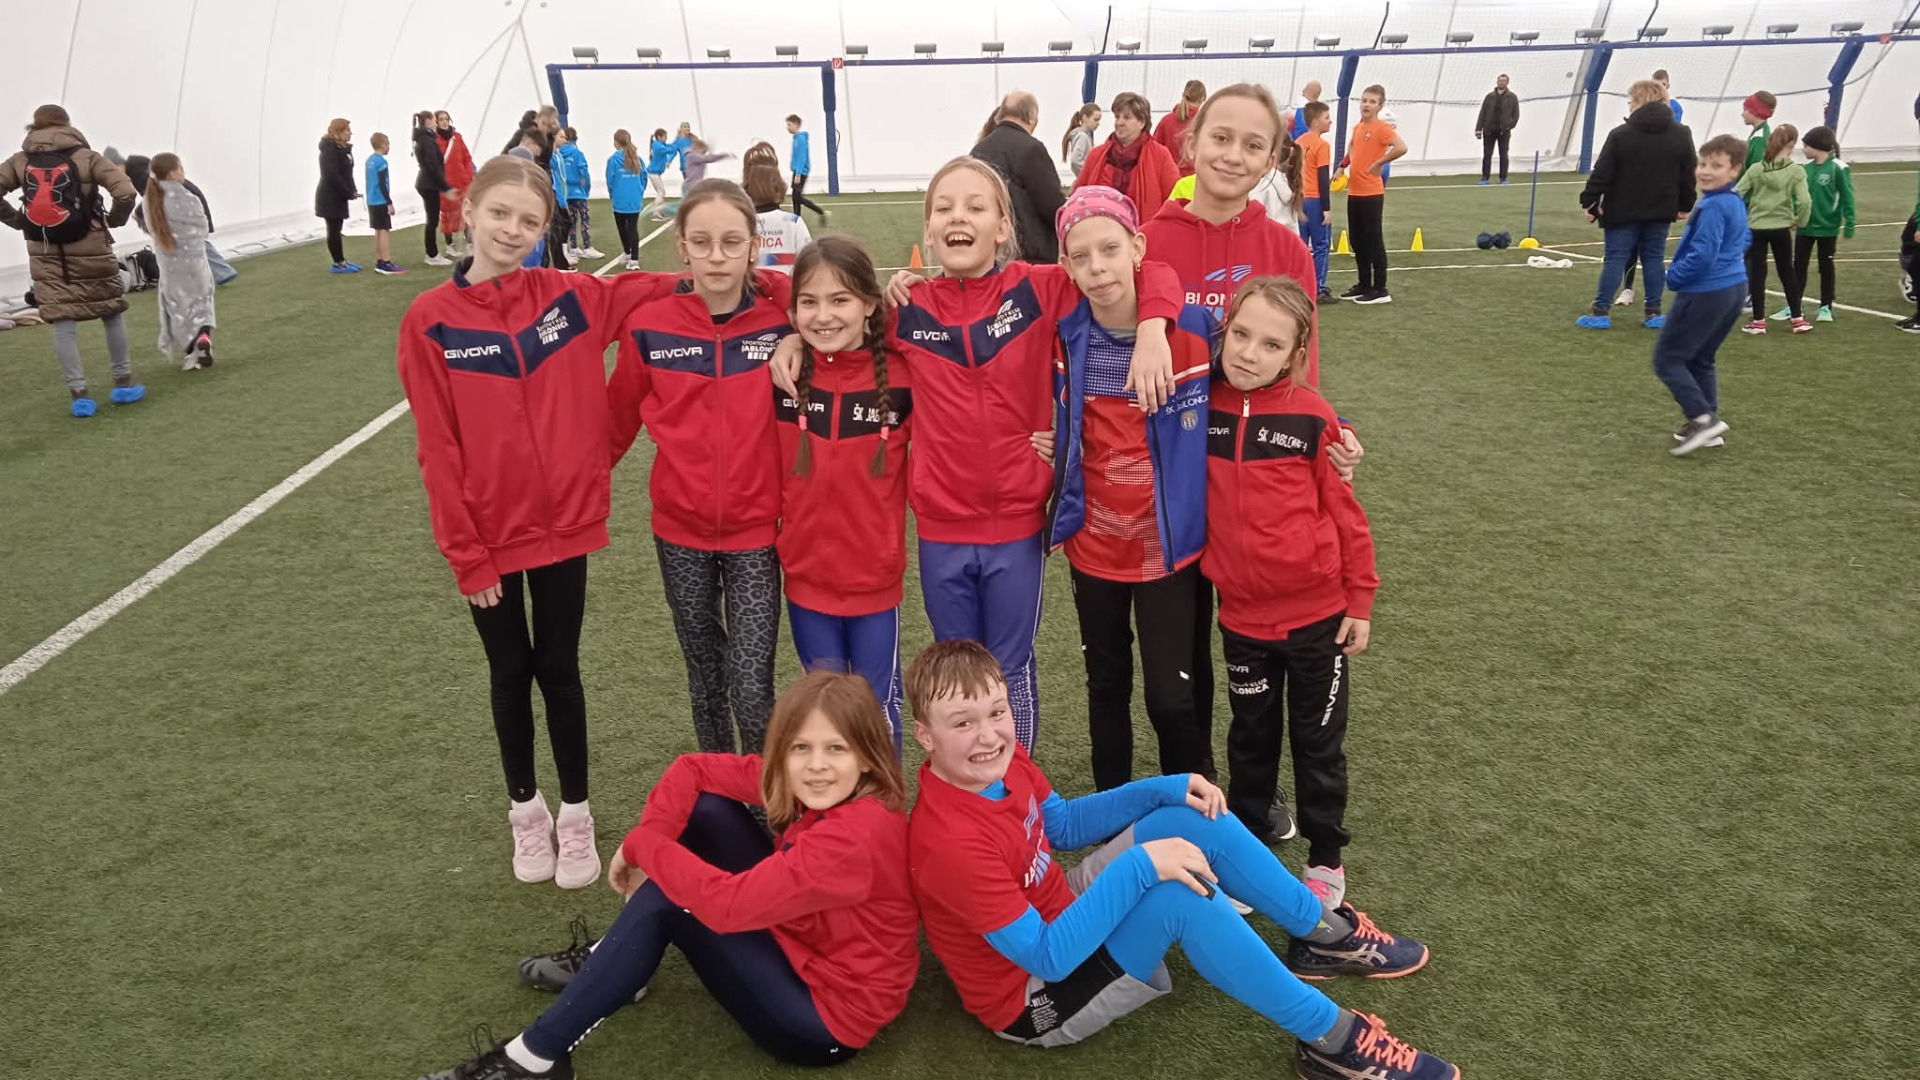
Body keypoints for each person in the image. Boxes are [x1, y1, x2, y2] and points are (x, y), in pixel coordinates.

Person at [903, 640, 1457, 1080]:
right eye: (962, 723)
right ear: (925, 736)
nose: (988, 735)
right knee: (1175, 895)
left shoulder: (1002, 756)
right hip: (1033, 996)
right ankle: (1334, 1041)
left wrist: (1166, 788)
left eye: (996, 712)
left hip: (1061, 908)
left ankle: (1323, 934)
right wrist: (1141, 866)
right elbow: (1047, 957)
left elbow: (1063, 824)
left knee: (1190, 817)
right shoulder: (949, 844)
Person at [772, 158, 1179, 753]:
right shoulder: (906, 311)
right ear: (929, 229)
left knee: (1007, 671)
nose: (957, 216)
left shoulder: (1039, 289)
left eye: (975, 206)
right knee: (955, 672)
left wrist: (1153, 327)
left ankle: (1016, 790)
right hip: (941, 529)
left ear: (1002, 226)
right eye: (944, 208)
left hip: (1016, 525)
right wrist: (789, 338)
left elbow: (1148, 269)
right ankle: (961, 791)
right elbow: (834, 317)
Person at [395, 155, 685, 889]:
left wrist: (765, 281)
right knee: (509, 672)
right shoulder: (430, 320)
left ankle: (576, 815)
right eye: (500, 214)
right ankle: (526, 812)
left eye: (529, 221)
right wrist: (467, 556)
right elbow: (437, 448)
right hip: (488, 539)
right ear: (468, 211)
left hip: (564, 529)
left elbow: (666, 287)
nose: (512, 231)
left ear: (545, 228)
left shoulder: (572, 297)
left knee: (559, 668)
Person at [417, 671, 916, 1080]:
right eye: (801, 747)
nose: (816, 766)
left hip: (823, 1019)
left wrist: (642, 847)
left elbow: (727, 908)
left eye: (836, 749)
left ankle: (534, 1060)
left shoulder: (855, 837)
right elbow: (694, 771)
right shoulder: (815, 783)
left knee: (672, 898)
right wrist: (652, 837)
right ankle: (617, 962)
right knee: (708, 810)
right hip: (802, 942)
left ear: (866, 756)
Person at [608, 180, 796, 756]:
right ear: (682, 246)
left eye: (732, 242)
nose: (717, 256)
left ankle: (767, 797)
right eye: (703, 242)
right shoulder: (650, 326)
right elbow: (615, 422)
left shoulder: (781, 322)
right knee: (706, 678)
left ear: (753, 247)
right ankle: (720, 790)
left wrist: (782, 296)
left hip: (756, 535)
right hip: (679, 533)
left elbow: (838, 299)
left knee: (751, 685)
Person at [1208, 276, 1378, 903]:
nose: (1250, 353)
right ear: (1224, 330)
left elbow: (1345, 514)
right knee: (1250, 741)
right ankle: (1250, 857)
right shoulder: (1201, 404)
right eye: (1241, 334)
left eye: (1271, 345)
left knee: (1317, 742)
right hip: (1241, 620)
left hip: (1317, 620)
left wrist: (1360, 599)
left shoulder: (1313, 417)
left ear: (1296, 354)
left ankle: (1326, 857)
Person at [1045, 186, 1216, 790]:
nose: (1097, 267)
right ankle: (1112, 805)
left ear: (1137, 247)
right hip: (1093, 548)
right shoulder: (1062, 334)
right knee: (1107, 683)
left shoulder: (1191, 329)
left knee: (1173, 696)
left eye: (1110, 249)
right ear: (1065, 265)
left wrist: (1331, 427)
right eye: (1081, 256)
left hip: (1170, 550)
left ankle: (1194, 802)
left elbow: (1256, 385)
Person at [778, 237, 913, 749]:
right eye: (808, 302)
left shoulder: (902, 377)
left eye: (840, 300)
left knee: (876, 710)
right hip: (806, 581)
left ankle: (884, 800)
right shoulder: (784, 375)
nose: (823, 316)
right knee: (825, 714)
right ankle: (833, 804)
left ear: (869, 304)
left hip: (875, 581)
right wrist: (787, 339)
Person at [0, 105, 142, 415]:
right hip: (91, 246)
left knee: (63, 321)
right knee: (111, 312)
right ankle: (123, 385)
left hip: (45, 250)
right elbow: (126, 192)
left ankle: (80, 397)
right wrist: (113, 220)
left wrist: (18, 221)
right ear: (67, 124)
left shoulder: (20, 160)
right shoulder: (87, 157)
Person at [1575, 79, 1696, 331]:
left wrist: (1590, 202)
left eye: (1631, 100)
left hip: (1622, 209)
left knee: (1615, 259)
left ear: (1639, 101)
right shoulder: (1681, 134)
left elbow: (1602, 173)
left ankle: (1600, 312)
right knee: (1654, 258)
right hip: (1661, 209)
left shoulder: (1621, 134)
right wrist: (1685, 204)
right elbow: (1688, 174)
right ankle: (1654, 312)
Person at [1656, 135, 1750, 456]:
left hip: (1706, 292)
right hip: (1734, 288)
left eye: (1717, 166)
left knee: (1667, 359)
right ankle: (1707, 424)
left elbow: (1704, 254)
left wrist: (1674, 276)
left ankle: (1703, 418)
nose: (1706, 171)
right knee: (1701, 358)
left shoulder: (1712, 206)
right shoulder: (1734, 200)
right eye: (1703, 163)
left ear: (1735, 170)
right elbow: (1745, 238)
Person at [141, 153, 217, 372]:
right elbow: (203, 229)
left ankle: (192, 351)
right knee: (201, 303)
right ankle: (203, 338)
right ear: (173, 173)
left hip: (169, 266)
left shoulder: (149, 201)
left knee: (179, 309)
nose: (184, 172)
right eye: (181, 168)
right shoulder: (190, 198)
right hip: (195, 263)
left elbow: (152, 230)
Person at [972, 90, 1067, 263]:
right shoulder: (1032, 149)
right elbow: (1051, 205)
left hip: (989, 253)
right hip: (1029, 255)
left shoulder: (978, 150)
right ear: (1032, 118)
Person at [1735, 123, 1810, 335]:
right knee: (1787, 271)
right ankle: (1797, 319)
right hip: (1781, 226)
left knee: (1758, 274)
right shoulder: (1795, 171)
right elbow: (1805, 201)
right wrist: (1800, 221)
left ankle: (1758, 321)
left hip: (1757, 226)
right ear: (1791, 144)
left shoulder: (1756, 169)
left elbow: (1737, 193)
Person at [1335, 85, 1406, 305]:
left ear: (1380, 106)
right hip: (1355, 192)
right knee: (1357, 240)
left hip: (1371, 194)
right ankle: (1364, 284)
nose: (1366, 104)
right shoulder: (1358, 128)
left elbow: (1401, 147)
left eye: (1372, 102)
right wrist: (1342, 166)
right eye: (1364, 100)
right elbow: (1352, 148)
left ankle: (1381, 289)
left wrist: (1379, 163)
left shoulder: (1382, 128)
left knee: (1373, 240)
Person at [1776, 126, 1852, 324]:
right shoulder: (1805, 170)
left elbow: (1847, 197)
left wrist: (1850, 222)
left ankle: (1826, 307)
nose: (1803, 149)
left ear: (1817, 146)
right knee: (1798, 267)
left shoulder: (1838, 168)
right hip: (1805, 227)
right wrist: (1794, 217)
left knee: (1825, 267)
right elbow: (1797, 197)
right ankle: (1794, 306)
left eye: (1806, 146)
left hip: (1828, 228)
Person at [1075, 92, 1180, 212]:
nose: (1119, 122)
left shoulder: (1160, 156)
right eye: (1117, 117)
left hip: (1144, 224)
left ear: (1142, 122)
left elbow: (1174, 202)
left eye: (1127, 117)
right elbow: (1077, 196)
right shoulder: (1096, 155)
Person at [744, 151, 811, 273]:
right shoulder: (793, 222)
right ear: (778, 185)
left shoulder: (742, 222)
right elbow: (809, 264)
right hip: (787, 284)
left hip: (750, 285)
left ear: (747, 186)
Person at [1296, 102, 1335, 301]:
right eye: (1327, 117)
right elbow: (1322, 178)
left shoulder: (1298, 142)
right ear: (1316, 121)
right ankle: (1318, 288)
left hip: (1300, 200)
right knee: (1321, 245)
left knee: (1301, 245)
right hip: (1315, 200)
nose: (1330, 121)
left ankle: (1299, 286)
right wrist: (1326, 208)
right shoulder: (1322, 146)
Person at [315, 117, 359, 273]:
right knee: (333, 230)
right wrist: (347, 192)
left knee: (337, 228)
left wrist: (352, 190)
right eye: (347, 130)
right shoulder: (329, 151)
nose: (350, 133)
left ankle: (342, 260)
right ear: (338, 132)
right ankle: (338, 263)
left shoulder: (343, 149)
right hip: (330, 197)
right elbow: (332, 176)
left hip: (339, 196)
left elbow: (347, 173)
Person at [412, 110, 452, 266]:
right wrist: (445, 187)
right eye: (435, 120)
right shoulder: (426, 140)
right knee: (432, 220)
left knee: (432, 219)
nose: (436, 123)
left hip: (427, 183)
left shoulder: (424, 138)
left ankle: (432, 253)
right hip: (428, 184)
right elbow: (432, 165)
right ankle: (432, 254)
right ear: (428, 121)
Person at [434, 110, 474, 258]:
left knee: (466, 211)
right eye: (441, 119)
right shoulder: (435, 141)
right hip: (445, 184)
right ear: (436, 122)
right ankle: (449, 245)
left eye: (446, 119)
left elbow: (466, 157)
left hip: (462, 182)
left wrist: (469, 176)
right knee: (447, 214)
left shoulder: (457, 137)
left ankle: (470, 243)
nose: (445, 122)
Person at [606, 128, 647, 270]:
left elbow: (610, 180)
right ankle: (632, 258)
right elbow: (644, 178)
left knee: (622, 227)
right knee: (632, 228)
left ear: (616, 142)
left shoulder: (613, 160)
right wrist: (639, 191)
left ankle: (629, 254)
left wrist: (612, 194)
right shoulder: (638, 159)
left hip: (620, 199)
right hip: (634, 199)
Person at [365, 132, 405, 276]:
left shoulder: (369, 160)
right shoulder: (381, 162)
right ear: (382, 144)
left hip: (371, 200)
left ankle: (380, 261)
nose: (389, 147)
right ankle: (386, 262)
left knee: (378, 230)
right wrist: (389, 202)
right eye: (387, 144)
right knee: (384, 231)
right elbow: (382, 183)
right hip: (380, 200)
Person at [555, 126, 597, 260]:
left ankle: (573, 247)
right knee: (584, 220)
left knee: (571, 221)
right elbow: (584, 173)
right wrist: (586, 189)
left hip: (566, 194)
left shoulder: (558, 153)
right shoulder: (577, 153)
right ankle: (587, 247)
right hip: (579, 193)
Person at [1153, 80, 1207, 175]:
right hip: (1196, 178)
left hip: (1169, 176)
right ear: (1202, 98)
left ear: (1183, 95)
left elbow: (1154, 151)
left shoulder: (1166, 121)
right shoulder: (1204, 123)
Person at [1475, 74, 1519, 185]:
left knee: (1503, 154)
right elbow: (1483, 113)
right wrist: (1479, 129)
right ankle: (1485, 177)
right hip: (1489, 131)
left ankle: (1503, 178)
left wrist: (1509, 125)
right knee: (1487, 154)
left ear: (1507, 83)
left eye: (1504, 81)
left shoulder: (1512, 97)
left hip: (1504, 131)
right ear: (1497, 82)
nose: (1501, 83)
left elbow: (1516, 115)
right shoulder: (1489, 97)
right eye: (1500, 81)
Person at [785, 114, 827, 224]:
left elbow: (801, 157)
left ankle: (820, 212)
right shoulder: (796, 139)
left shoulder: (801, 139)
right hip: (797, 171)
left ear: (796, 125)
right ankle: (796, 219)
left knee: (797, 196)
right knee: (795, 196)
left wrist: (798, 173)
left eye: (789, 125)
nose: (787, 127)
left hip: (801, 172)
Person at [644, 126, 686, 221]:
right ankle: (656, 213)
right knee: (661, 192)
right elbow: (670, 149)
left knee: (661, 192)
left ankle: (660, 212)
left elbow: (669, 147)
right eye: (665, 136)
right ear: (659, 137)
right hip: (653, 173)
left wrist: (677, 141)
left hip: (655, 173)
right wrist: (678, 142)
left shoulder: (658, 144)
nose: (666, 138)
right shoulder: (657, 146)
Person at [1739, 91, 1776, 175]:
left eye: (1745, 109)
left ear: (1755, 110)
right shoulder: (1761, 132)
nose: (1742, 114)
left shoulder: (1759, 138)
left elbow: (1756, 173)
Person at [1061, 102, 1101, 176]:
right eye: (1095, 120)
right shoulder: (1082, 137)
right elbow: (1075, 161)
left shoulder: (1083, 136)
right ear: (1085, 118)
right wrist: (1089, 174)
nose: (1098, 123)